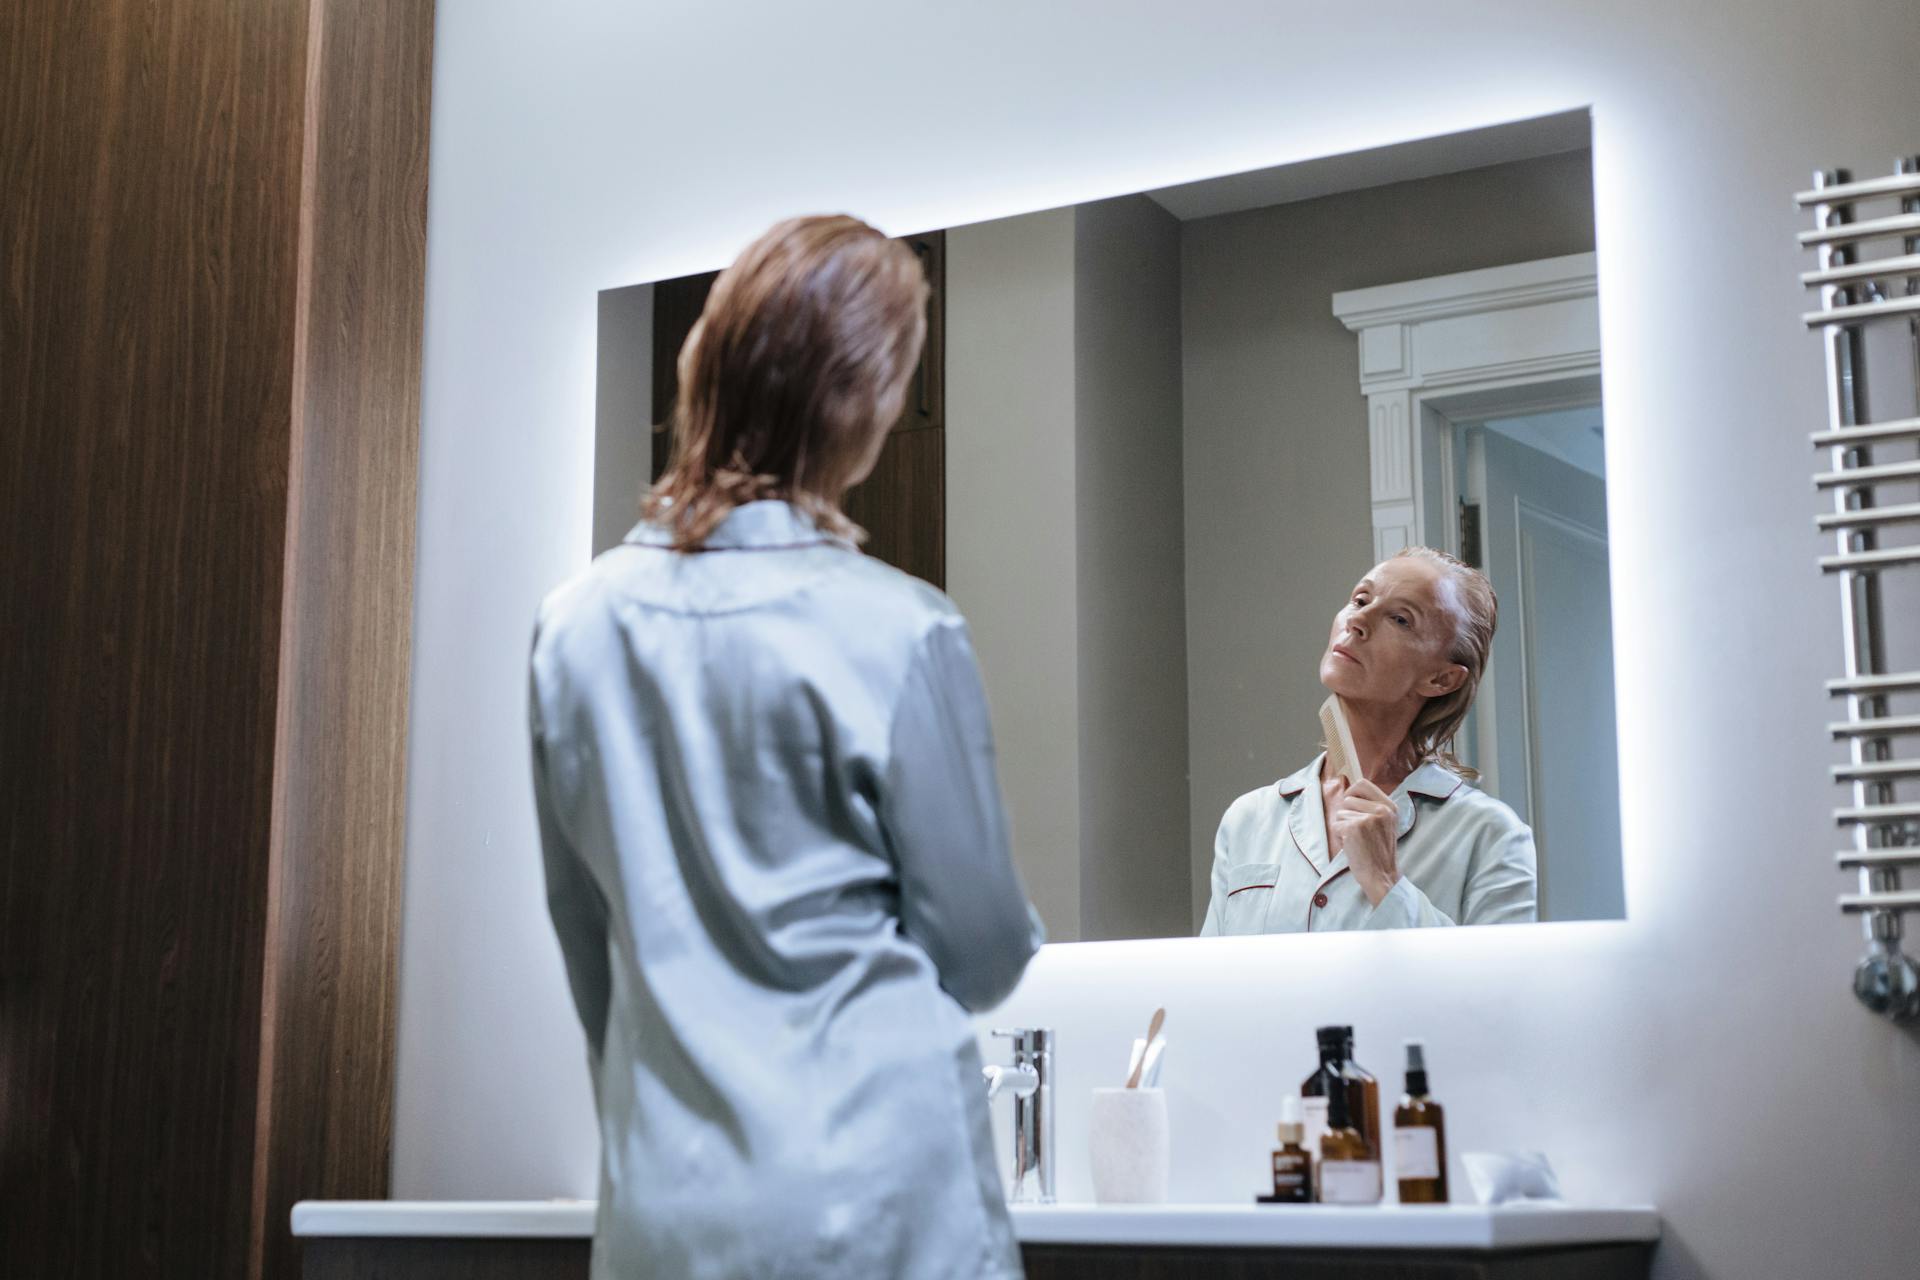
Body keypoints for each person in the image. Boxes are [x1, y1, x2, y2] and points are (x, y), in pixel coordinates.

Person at [528, 214, 1042, 1279]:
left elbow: (591, 949)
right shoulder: (901, 630)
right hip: (876, 1200)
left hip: (665, 1209)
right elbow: (985, 951)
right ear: (863, 399)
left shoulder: (574, 624)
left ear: (705, 367)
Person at [1199, 547, 1536, 935]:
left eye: (1399, 619)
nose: (1358, 619)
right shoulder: (1249, 819)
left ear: (1441, 679)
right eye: (1360, 599)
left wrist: (1384, 880)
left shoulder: (1489, 836)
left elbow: (1497, 991)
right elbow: (1215, 983)